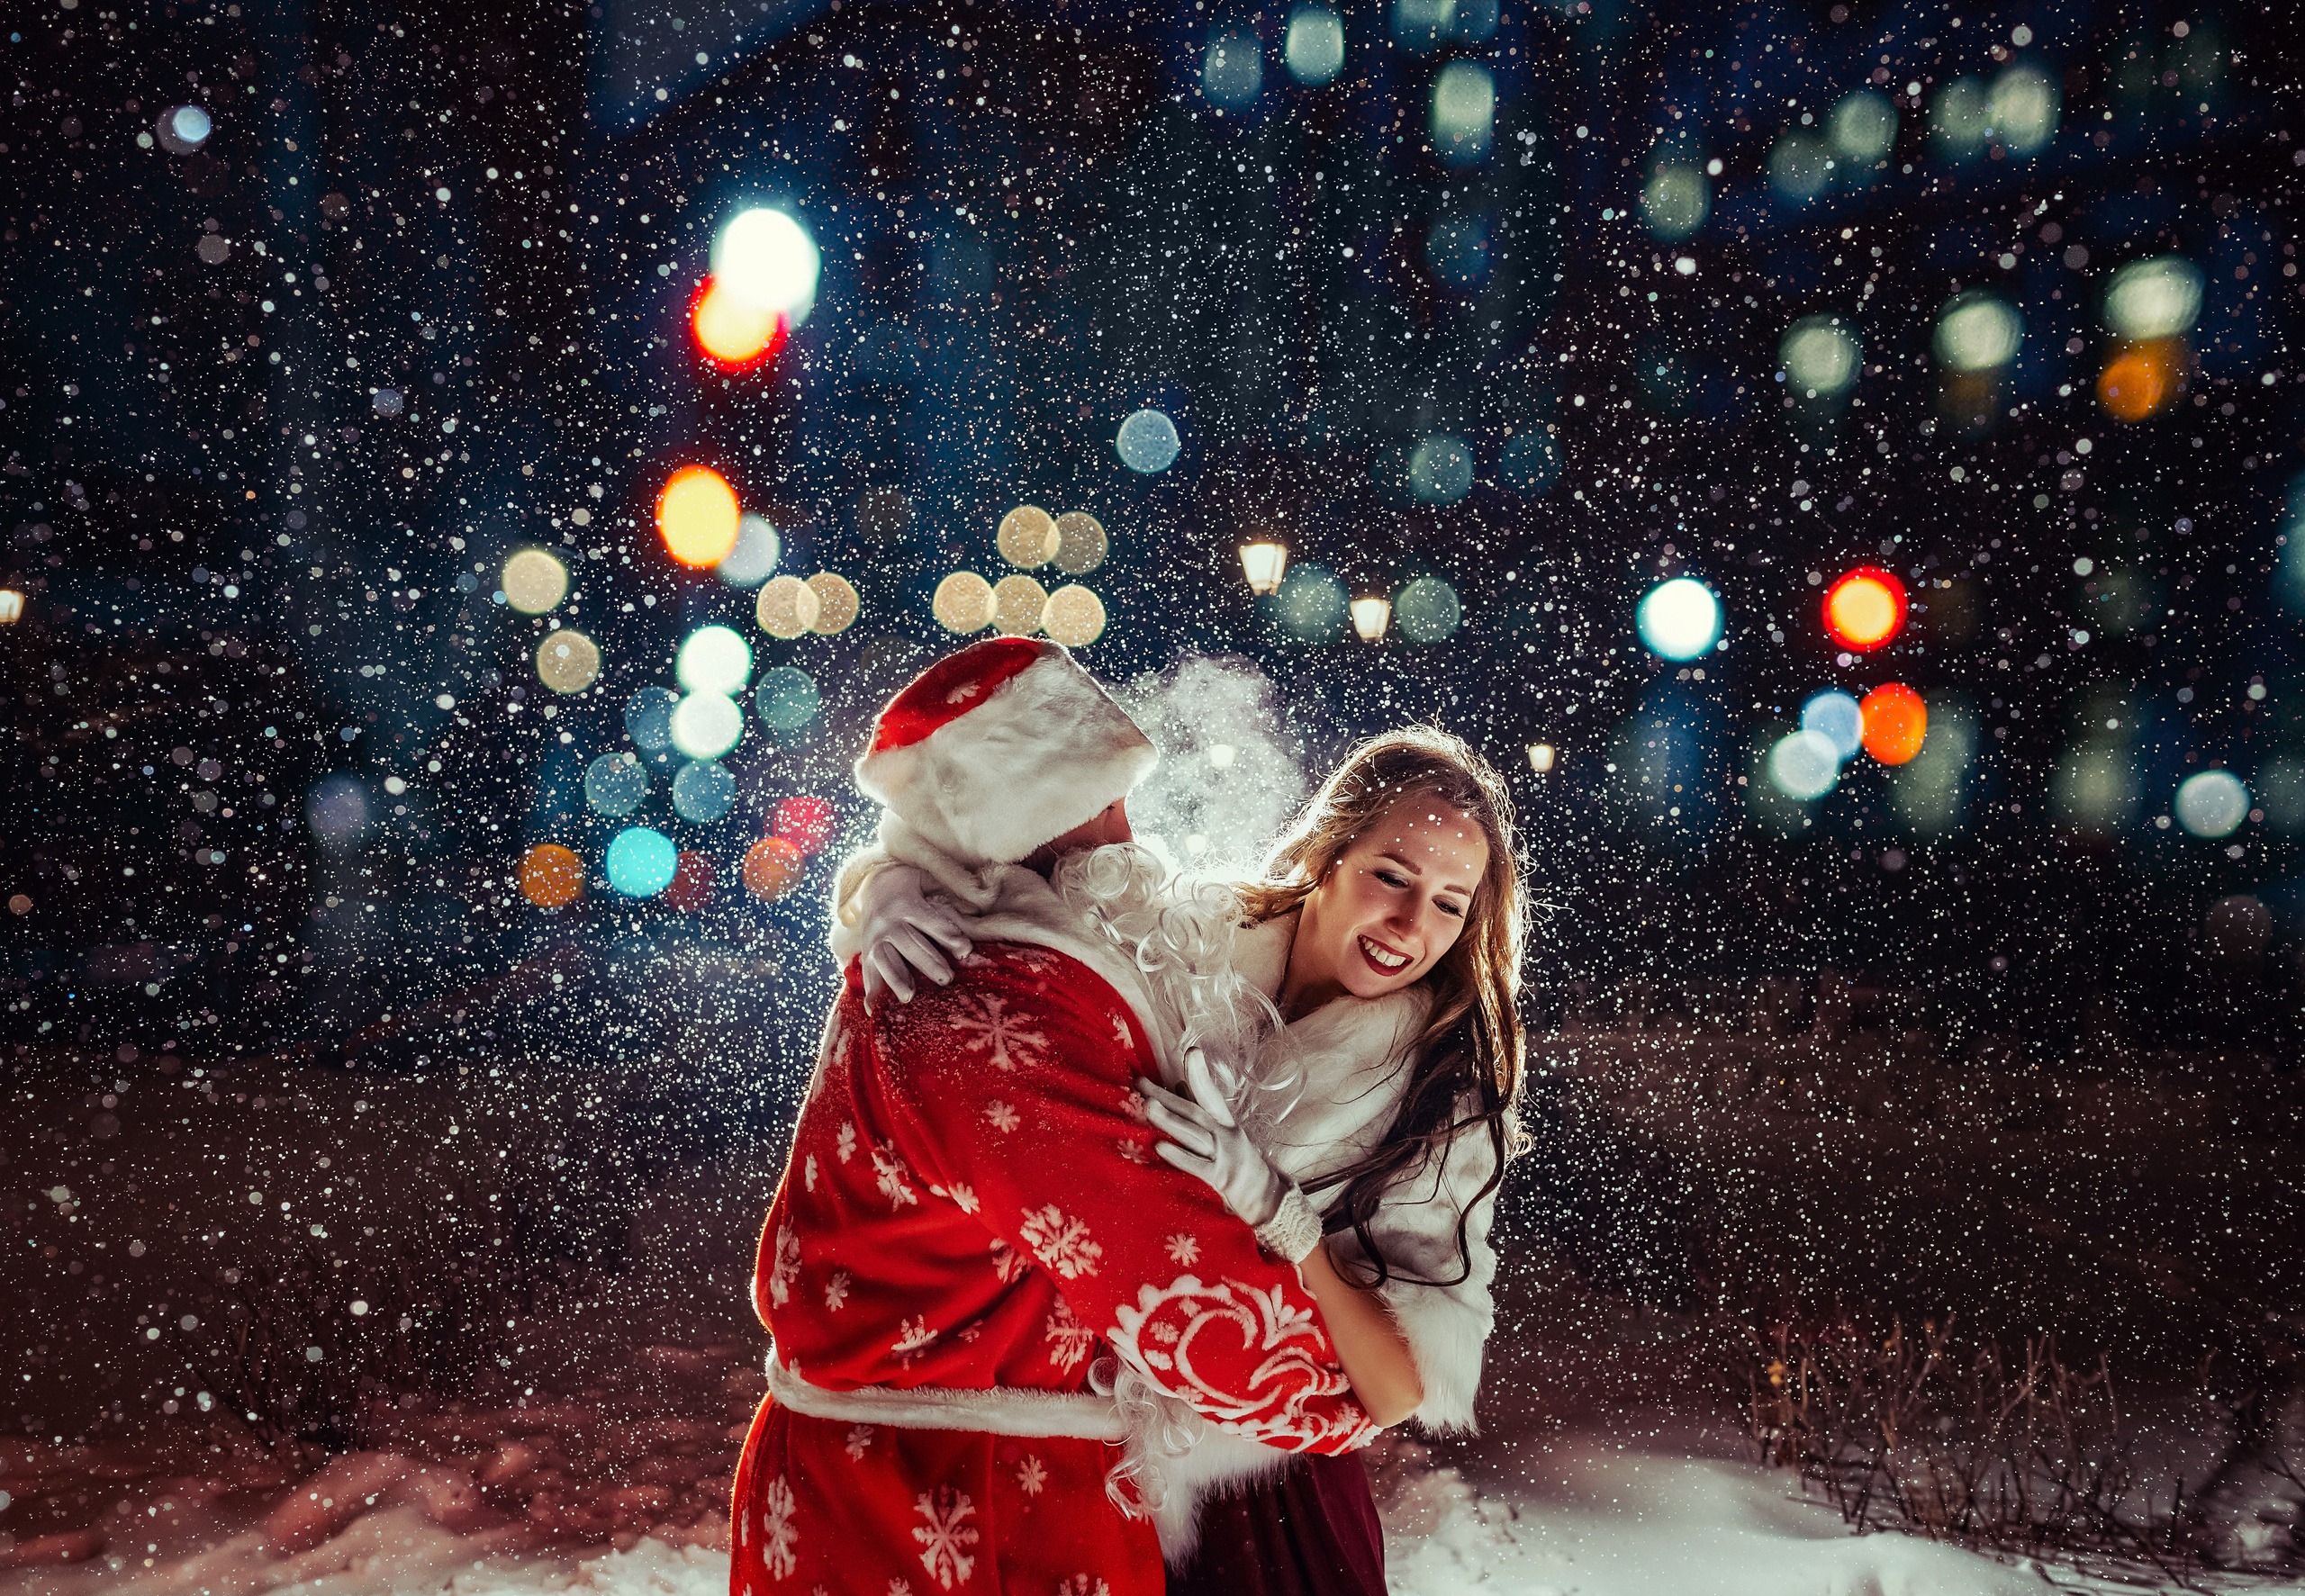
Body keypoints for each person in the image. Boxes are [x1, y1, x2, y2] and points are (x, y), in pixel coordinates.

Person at [728, 636, 1381, 1596]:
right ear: (1015, 826)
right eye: (1096, 804)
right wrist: (1350, 1388)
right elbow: (1161, 1274)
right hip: (949, 1508)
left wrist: (882, 879)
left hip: (901, 1485)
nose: (1129, 834)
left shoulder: (964, 940)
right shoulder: (990, 1003)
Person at [852, 725, 1530, 1595]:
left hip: (1268, 1493)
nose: (1409, 924)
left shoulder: (1442, 1097)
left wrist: (1282, 1216)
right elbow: (1013, 900)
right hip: (1075, 1445)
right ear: (1329, 853)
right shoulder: (1187, 931)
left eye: (1449, 901)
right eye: (1390, 875)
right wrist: (890, 887)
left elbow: (1400, 1387)